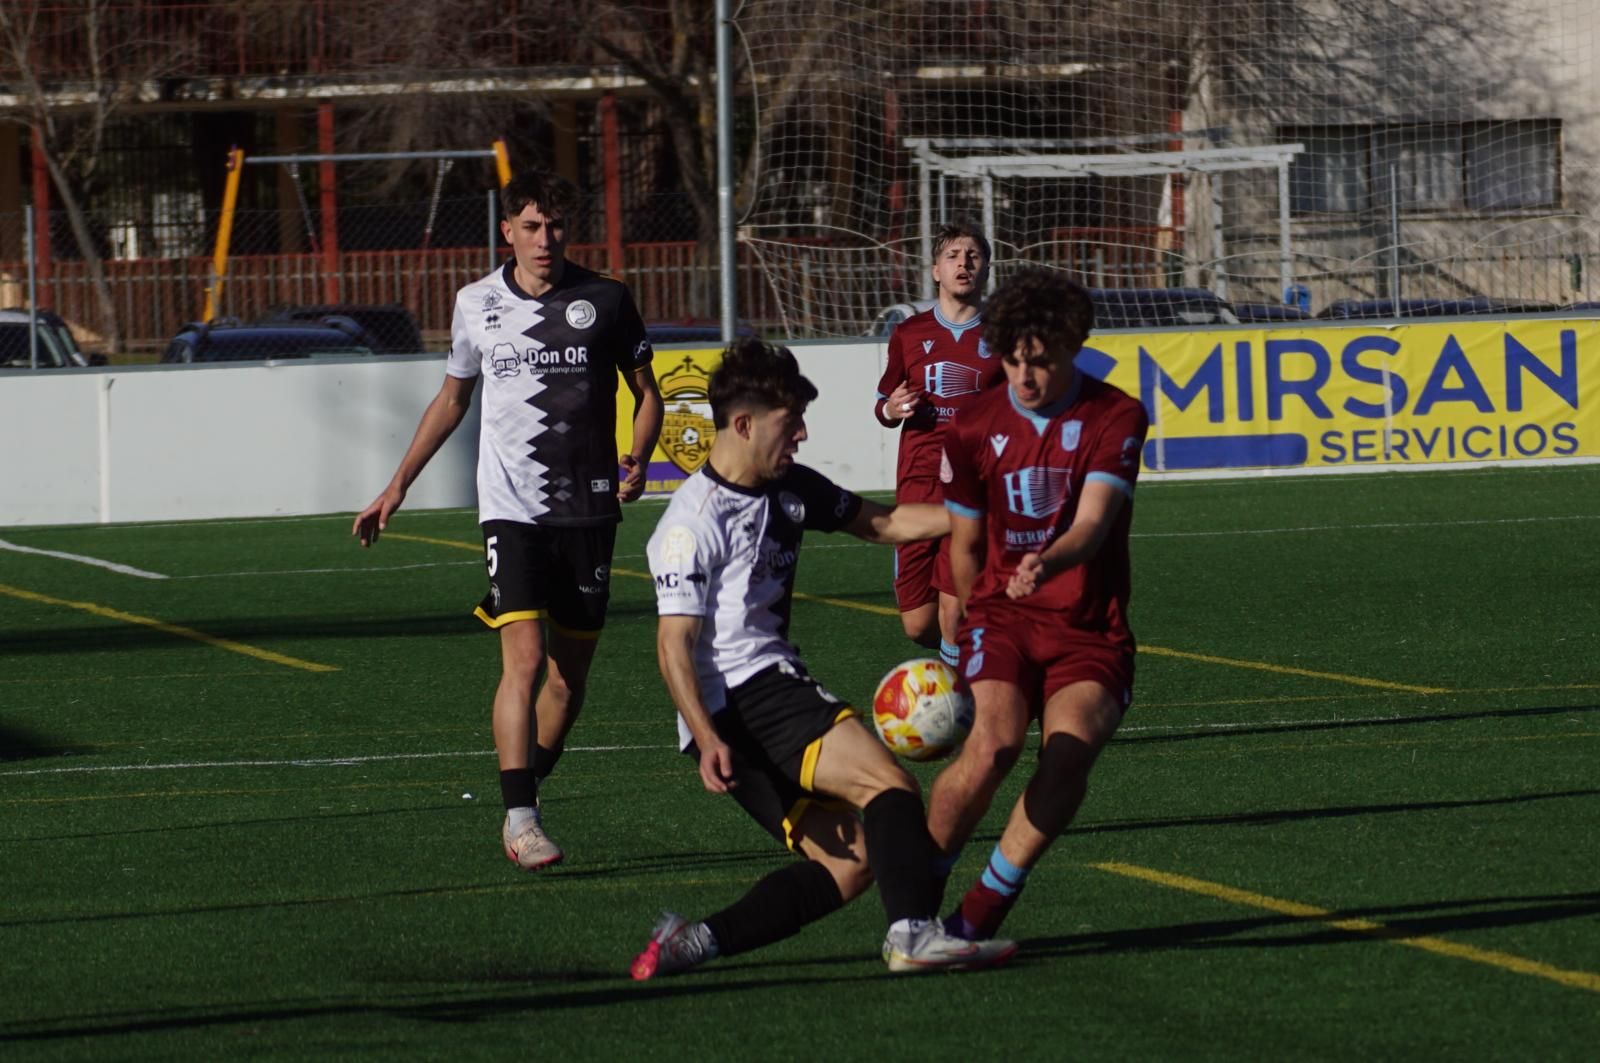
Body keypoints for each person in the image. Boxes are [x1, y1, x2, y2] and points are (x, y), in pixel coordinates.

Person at [631, 339, 1016, 978]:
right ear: (744, 425)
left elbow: (884, 524)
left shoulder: (789, 487)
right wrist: (707, 735)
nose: (803, 435)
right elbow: (674, 644)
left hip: (735, 716)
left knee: (851, 863)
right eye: (791, 423)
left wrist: (977, 514)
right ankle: (914, 935)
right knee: (888, 785)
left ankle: (691, 942)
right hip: (750, 695)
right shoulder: (689, 524)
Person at [353, 169, 663, 872]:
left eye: (555, 225)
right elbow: (451, 400)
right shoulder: (476, 303)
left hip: (589, 506)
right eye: (531, 226)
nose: (545, 239)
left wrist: (639, 457)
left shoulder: (607, 299)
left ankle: (526, 784)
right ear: (507, 232)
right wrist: (396, 485)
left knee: (567, 683)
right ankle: (521, 816)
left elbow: (648, 393)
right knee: (523, 660)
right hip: (511, 506)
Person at [924, 266, 1149, 941]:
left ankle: (977, 916)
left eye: (1041, 362)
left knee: (1068, 753)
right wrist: (970, 623)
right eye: (1012, 361)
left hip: (1088, 624)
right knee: (991, 748)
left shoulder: (1116, 415)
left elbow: (1093, 524)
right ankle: (915, 903)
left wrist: (1047, 561)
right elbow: (965, 544)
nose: (1024, 377)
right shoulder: (971, 425)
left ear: (1074, 347)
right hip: (1003, 616)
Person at [873, 221, 1002, 666]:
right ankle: (973, 648)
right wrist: (892, 410)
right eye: (953, 256)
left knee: (953, 612)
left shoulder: (1003, 335)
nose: (963, 263)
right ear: (935, 271)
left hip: (974, 487)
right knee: (919, 625)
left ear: (986, 270)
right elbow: (882, 404)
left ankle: (961, 695)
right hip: (918, 484)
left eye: (973, 256)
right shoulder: (909, 333)